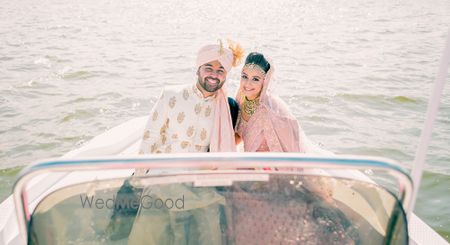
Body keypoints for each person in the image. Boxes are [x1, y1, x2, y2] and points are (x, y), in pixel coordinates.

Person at [125, 41, 244, 245]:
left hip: (201, 183)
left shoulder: (225, 107)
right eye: (209, 68)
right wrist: (139, 178)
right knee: (148, 235)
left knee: (210, 236)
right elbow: (150, 136)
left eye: (220, 70)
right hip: (163, 177)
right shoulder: (172, 95)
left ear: (226, 75)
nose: (214, 74)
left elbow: (235, 139)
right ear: (198, 68)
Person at [235, 52, 306, 153]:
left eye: (255, 79)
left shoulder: (270, 110)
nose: (247, 83)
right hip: (248, 160)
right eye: (245, 76)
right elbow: (239, 136)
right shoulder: (239, 100)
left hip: (269, 164)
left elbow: (286, 148)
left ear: (265, 81)